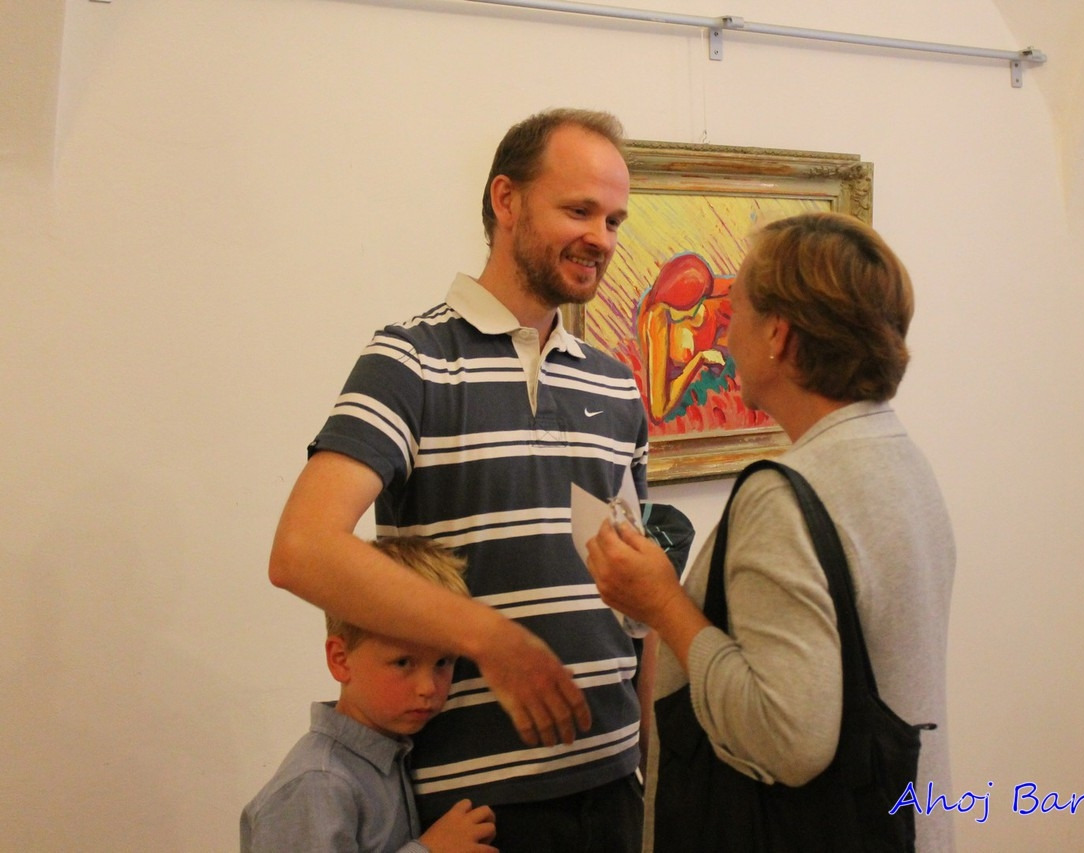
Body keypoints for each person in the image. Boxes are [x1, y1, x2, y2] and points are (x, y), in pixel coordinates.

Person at [269, 107, 649, 852]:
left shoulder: (616, 385)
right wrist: (493, 639)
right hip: (473, 813)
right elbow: (302, 549)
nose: (602, 239)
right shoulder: (410, 360)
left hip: (612, 792)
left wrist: (650, 769)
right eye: (579, 211)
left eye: (614, 220)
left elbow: (635, 602)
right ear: (506, 200)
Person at [586, 211, 957, 851]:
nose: (726, 336)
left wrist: (663, 605)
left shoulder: (785, 496)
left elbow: (788, 739)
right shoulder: (901, 457)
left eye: (736, 313)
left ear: (777, 335)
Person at [242, 537, 498, 853]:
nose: (428, 687)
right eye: (403, 662)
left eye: (443, 662)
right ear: (340, 659)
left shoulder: (390, 755)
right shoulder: (317, 783)